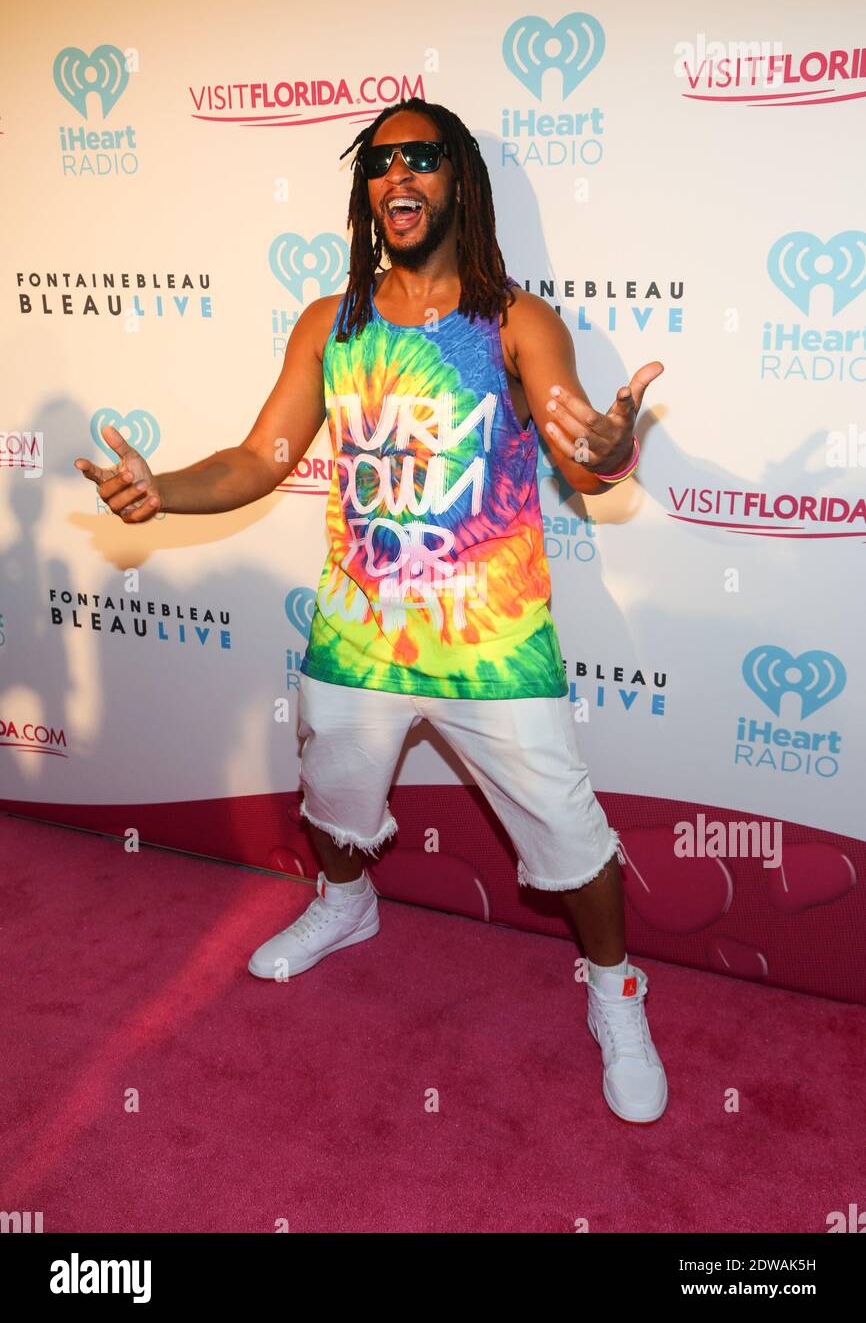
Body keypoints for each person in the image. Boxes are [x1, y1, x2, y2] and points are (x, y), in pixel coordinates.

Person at [75, 98, 667, 1124]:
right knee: (334, 807)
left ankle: (615, 989)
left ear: (457, 182)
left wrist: (609, 450)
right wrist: (162, 487)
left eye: (421, 158)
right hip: (355, 634)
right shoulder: (329, 322)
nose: (397, 176)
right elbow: (260, 459)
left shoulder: (517, 322)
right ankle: (345, 904)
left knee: (570, 840)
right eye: (380, 161)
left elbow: (583, 453)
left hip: (492, 639)